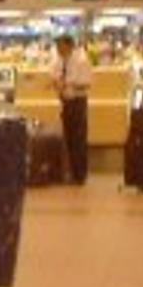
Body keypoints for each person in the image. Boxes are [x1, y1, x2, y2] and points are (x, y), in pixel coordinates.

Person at [52, 34, 93, 185]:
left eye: (60, 46)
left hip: (78, 102)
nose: (58, 49)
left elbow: (87, 83)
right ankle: (71, 173)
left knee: (78, 139)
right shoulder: (60, 60)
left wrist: (68, 84)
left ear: (68, 45)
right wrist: (57, 84)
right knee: (68, 139)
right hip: (66, 102)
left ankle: (80, 175)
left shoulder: (82, 61)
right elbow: (55, 76)